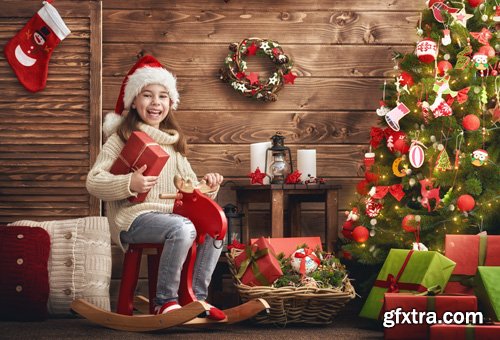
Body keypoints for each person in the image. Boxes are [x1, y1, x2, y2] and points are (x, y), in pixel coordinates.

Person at [86, 55, 225, 319]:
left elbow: (189, 187)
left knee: (216, 224)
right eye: (147, 95)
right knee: (181, 227)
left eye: (162, 96)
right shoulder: (122, 139)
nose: (155, 103)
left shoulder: (173, 144)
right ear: (134, 102)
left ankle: (195, 299)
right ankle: (165, 301)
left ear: (170, 103)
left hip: (172, 218)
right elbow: (94, 181)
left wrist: (207, 186)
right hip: (133, 220)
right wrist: (130, 183)